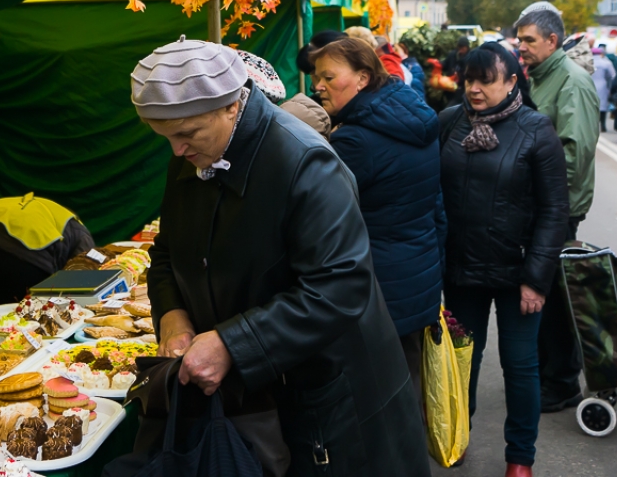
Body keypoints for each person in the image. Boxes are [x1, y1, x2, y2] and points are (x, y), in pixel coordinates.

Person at [132, 37, 430, 477]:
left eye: (186, 134)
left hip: (331, 400)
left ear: (232, 106)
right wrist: (173, 314)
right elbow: (168, 252)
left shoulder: (305, 162)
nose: (177, 150)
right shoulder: (194, 155)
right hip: (259, 395)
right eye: (167, 138)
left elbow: (340, 287)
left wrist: (231, 343)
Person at [439, 42, 569, 477]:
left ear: (513, 81)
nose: (474, 89)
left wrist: (537, 276)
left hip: (518, 275)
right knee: (462, 364)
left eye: (485, 80)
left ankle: (520, 457)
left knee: (520, 366)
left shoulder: (537, 130)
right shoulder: (449, 123)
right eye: (468, 79)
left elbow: (554, 211)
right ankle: (457, 436)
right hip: (461, 270)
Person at [311, 38, 445, 404]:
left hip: (377, 286)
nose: (316, 85)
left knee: (378, 401)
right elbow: (436, 207)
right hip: (417, 274)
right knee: (407, 384)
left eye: (328, 76)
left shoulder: (357, 140)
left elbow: (315, 215)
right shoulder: (413, 115)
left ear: (363, 78)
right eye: (315, 75)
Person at [512, 4, 599, 412]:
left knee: (554, 298)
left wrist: (527, 186)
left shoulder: (572, 82)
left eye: (529, 40)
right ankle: (550, 373)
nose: (521, 47)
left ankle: (562, 382)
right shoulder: (542, 77)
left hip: (556, 209)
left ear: (552, 40)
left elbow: (572, 154)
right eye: (520, 40)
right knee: (543, 294)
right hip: (540, 206)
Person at [0, 192, 95, 314]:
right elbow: (86, 271)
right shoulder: (79, 231)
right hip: (16, 259)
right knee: (26, 320)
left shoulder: (27, 208)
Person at [590, 46, 615, 132]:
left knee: (590, 105)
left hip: (590, 84)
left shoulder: (588, 62)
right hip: (603, 85)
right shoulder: (606, 63)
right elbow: (612, 75)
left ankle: (592, 125)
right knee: (603, 106)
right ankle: (603, 125)